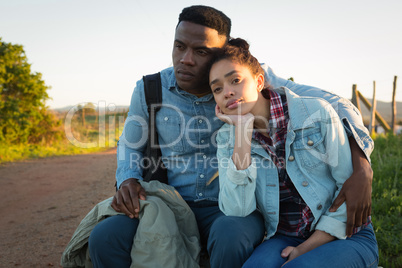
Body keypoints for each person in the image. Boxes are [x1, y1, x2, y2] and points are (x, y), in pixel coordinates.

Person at [88, 5, 374, 268]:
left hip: (225, 206)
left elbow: (336, 105)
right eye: (179, 47)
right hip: (169, 202)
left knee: (231, 234)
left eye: (201, 52)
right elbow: (130, 142)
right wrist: (127, 177)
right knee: (105, 237)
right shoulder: (150, 89)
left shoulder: (248, 77)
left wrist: (361, 165)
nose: (185, 60)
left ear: (222, 53)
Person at [211, 38, 379, 267]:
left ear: (259, 81)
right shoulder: (226, 137)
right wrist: (241, 133)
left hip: (346, 232)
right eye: (218, 88)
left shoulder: (316, 113)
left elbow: (347, 193)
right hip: (283, 237)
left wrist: (305, 249)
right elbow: (237, 209)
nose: (227, 92)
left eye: (235, 80)